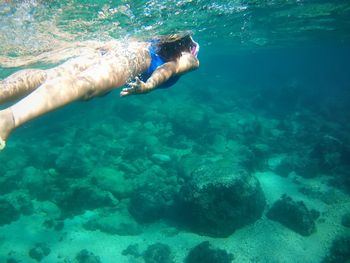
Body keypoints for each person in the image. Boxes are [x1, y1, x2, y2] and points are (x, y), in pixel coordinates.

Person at [0, 32, 200, 150]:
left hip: (121, 49)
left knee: (50, 75)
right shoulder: (191, 58)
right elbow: (169, 68)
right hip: (136, 58)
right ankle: (8, 120)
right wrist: (149, 85)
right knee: (85, 85)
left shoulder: (160, 40)